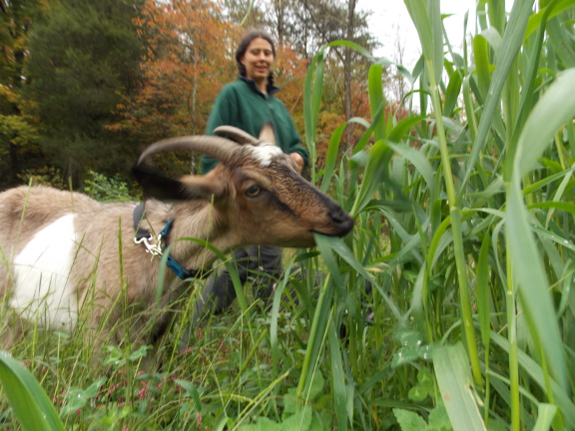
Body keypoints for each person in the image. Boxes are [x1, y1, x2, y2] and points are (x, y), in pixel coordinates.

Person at [195, 29, 309, 318]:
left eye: (267, 53)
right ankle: (263, 325)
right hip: (246, 198)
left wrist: (297, 157)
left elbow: (297, 147)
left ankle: (206, 325)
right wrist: (220, 192)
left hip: (277, 200)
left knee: (249, 263)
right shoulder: (232, 94)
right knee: (261, 261)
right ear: (242, 59)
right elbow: (213, 149)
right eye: (255, 52)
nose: (262, 58)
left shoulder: (279, 108)